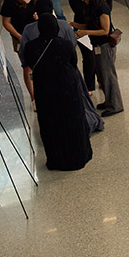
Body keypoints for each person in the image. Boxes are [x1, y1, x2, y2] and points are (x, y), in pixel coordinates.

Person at [23, 15, 95, 170]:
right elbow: (73, 63)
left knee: (51, 125)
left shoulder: (30, 47)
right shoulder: (66, 44)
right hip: (67, 90)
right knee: (72, 123)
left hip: (45, 91)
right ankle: (78, 156)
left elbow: (28, 64)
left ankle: (56, 160)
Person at [70, 0, 123, 117]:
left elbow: (105, 31)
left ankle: (116, 105)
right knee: (101, 75)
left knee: (108, 76)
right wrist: (74, 25)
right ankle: (109, 101)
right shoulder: (92, 8)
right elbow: (90, 25)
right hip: (97, 46)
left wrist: (86, 32)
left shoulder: (102, 8)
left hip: (105, 46)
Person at [68, 0, 112, 95]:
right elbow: (77, 9)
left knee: (99, 57)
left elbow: (108, 7)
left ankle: (101, 81)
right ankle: (89, 86)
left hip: (98, 27)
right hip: (82, 26)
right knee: (88, 57)